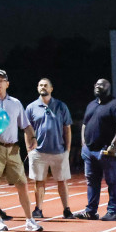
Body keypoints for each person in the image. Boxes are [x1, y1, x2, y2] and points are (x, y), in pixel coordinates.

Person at [0, 69, 42, 232]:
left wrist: (32, 138)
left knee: (22, 184)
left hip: (12, 149)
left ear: (7, 83)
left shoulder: (15, 103)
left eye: (1, 80)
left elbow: (25, 125)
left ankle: (29, 220)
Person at [73, 79, 116, 222]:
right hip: (90, 151)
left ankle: (112, 211)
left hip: (107, 152)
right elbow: (85, 124)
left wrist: (113, 145)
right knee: (92, 182)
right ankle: (91, 211)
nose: (98, 86)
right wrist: (83, 144)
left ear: (109, 88)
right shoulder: (91, 104)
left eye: (102, 84)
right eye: (96, 84)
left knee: (112, 181)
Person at [24, 78, 73, 220]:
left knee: (62, 181)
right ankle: (38, 209)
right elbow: (27, 129)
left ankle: (67, 209)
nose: (42, 87)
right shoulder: (31, 107)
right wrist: (29, 150)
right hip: (39, 152)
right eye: (40, 85)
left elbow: (67, 128)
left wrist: (68, 149)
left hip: (59, 150)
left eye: (45, 85)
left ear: (51, 89)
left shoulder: (61, 106)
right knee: (39, 181)